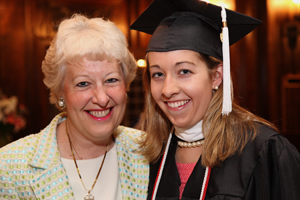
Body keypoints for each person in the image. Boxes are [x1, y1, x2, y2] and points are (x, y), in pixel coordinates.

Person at [130, 0, 300, 199]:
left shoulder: (262, 152)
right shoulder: (151, 155)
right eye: (157, 74)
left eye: (184, 71)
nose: (168, 90)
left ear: (216, 76)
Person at [0, 14, 149, 200]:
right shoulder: (9, 168)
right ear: (60, 92)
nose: (102, 98)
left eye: (111, 80)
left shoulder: (150, 151)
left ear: (125, 85)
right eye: (83, 83)